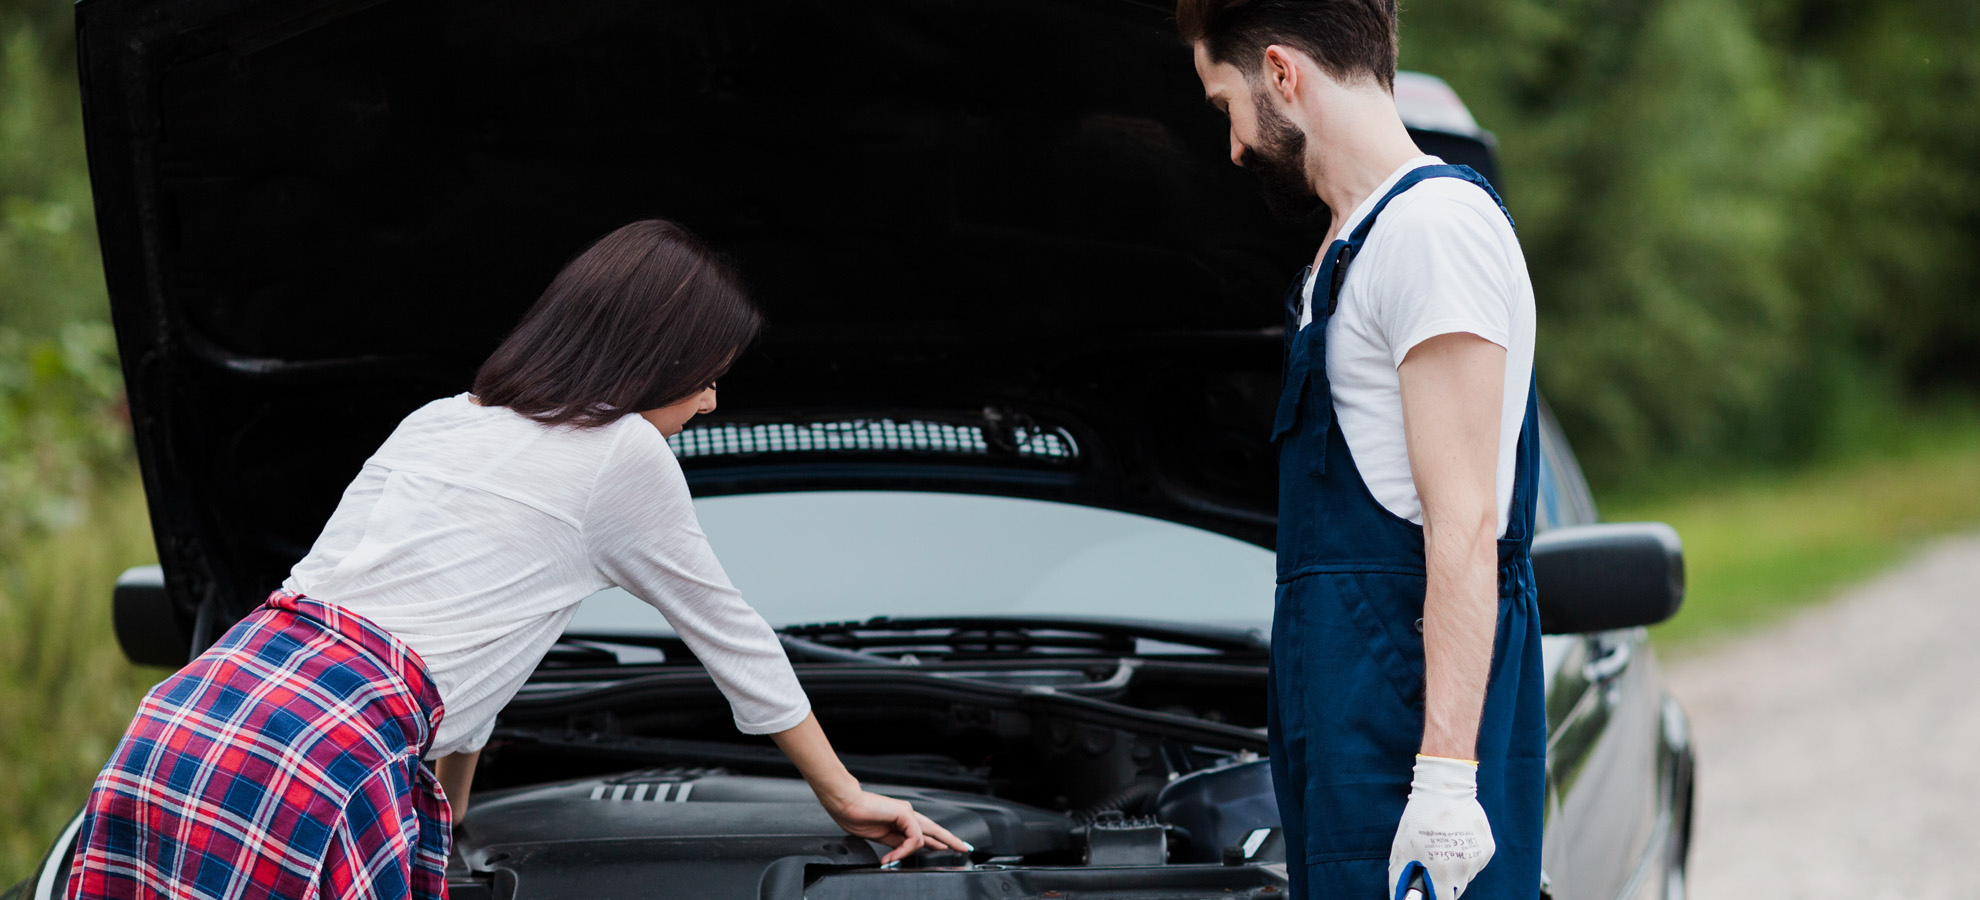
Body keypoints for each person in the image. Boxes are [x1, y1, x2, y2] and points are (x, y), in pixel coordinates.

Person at [64, 219, 968, 900]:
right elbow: (733, 638)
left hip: (194, 715)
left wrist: (449, 820)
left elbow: (443, 666)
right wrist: (845, 796)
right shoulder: (620, 453)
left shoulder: (439, 419)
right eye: (706, 371)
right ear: (656, 357)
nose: (711, 400)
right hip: (323, 753)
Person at [1177, 2, 1545, 899]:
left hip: (1404, 753)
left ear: (1281, 73)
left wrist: (1448, 783)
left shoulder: (1432, 234)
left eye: (1226, 106)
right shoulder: (1350, 250)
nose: (1231, 149)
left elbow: (1463, 526)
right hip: (1350, 742)